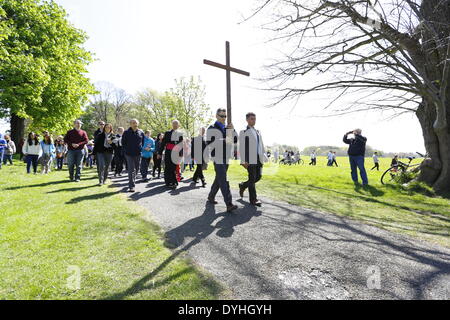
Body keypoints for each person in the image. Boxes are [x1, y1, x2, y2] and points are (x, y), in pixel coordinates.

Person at [206, 108, 238, 212]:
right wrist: (225, 140)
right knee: (223, 179)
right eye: (221, 116)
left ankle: (211, 196)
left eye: (225, 116)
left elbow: (236, 140)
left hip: (226, 156)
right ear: (216, 116)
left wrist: (232, 130)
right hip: (217, 156)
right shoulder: (211, 128)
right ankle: (229, 204)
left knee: (219, 178)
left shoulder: (227, 127)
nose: (224, 118)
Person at [238, 112, 267, 207]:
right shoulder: (244, 132)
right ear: (247, 120)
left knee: (258, 177)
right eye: (251, 119)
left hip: (259, 158)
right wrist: (243, 161)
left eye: (254, 119)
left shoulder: (258, 131)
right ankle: (253, 199)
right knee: (252, 178)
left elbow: (261, 145)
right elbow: (241, 148)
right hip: (250, 159)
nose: (253, 120)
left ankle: (243, 185)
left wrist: (264, 155)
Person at [122, 119, 145, 192]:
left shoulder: (141, 132)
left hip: (138, 153)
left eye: (135, 123)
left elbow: (143, 142)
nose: (134, 124)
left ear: (137, 124)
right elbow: (123, 143)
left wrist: (140, 149)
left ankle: (132, 180)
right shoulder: (126, 132)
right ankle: (131, 186)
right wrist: (126, 151)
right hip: (129, 154)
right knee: (131, 170)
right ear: (130, 124)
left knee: (137, 168)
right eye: (132, 123)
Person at [159, 120, 183, 189]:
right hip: (168, 152)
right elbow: (163, 143)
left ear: (178, 125)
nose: (175, 125)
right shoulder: (167, 133)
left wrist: (181, 153)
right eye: (174, 124)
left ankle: (173, 181)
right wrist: (160, 153)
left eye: (176, 124)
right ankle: (168, 181)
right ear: (172, 125)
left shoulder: (180, 134)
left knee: (173, 167)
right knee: (168, 166)